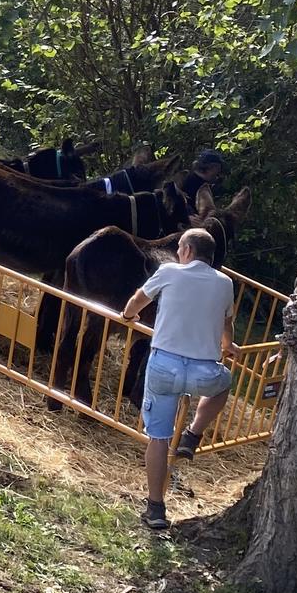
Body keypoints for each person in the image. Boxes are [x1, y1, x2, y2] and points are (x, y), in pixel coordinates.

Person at [122, 226, 238, 532]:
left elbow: (138, 300)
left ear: (185, 251)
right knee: (224, 381)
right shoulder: (225, 283)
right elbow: (227, 323)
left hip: (164, 366)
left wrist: (128, 316)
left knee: (158, 438)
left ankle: (156, 508)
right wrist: (228, 346)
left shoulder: (169, 271)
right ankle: (193, 434)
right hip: (203, 371)